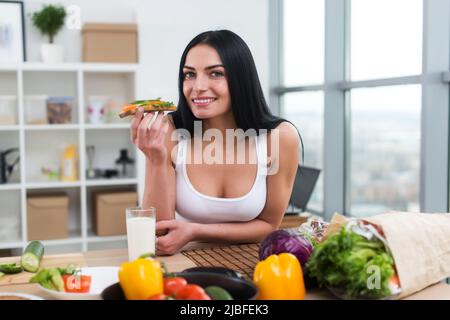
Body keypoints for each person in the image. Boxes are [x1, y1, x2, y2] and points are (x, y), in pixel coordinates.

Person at [130, 30, 301, 255]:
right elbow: (159, 234)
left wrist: (194, 231)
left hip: (251, 260)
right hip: (184, 261)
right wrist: (156, 158)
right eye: (189, 74)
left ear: (241, 79)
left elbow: (269, 225)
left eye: (215, 73)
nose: (198, 86)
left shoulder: (279, 138)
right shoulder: (170, 131)